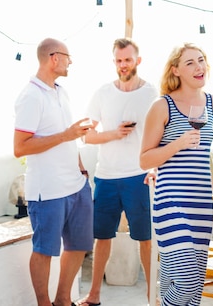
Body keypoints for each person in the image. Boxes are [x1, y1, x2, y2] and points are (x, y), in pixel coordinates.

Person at [77, 38, 158, 306]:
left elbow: (160, 136)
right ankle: (94, 295)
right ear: (114, 62)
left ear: (138, 60)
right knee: (102, 238)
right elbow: (86, 136)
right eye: (119, 60)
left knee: (145, 239)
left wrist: (156, 167)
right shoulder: (102, 93)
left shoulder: (151, 93)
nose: (123, 65)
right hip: (107, 177)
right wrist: (114, 133)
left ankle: (151, 297)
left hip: (140, 176)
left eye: (128, 59)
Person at [13, 38, 94, 306]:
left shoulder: (62, 91)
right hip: (47, 190)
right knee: (44, 251)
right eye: (68, 57)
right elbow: (20, 147)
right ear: (54, 58)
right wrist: (66, 134)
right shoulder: (30, 96)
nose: (71, 62)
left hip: (76, 185)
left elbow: (68, 138)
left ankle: (62, 301)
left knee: (79, 245)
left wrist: (82, 170)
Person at [140, 43, 213, 306]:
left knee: (194, 291)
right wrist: (178, 143)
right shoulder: (162, 106)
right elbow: (144, 159)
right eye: (190, 63)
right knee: (186, 282)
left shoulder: (212, 103)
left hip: (201, 202)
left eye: (201, 60)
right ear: (175, 70)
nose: (199, 67)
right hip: (171, 201)